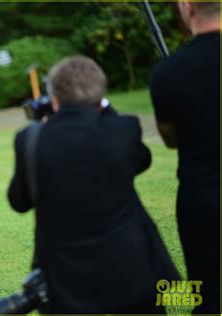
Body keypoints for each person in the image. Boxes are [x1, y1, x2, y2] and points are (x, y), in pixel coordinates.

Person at [7, 56, 179, 314]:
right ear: (101, 96)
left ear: (54, 97)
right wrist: (105, 108)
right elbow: (142, 161)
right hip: (132, 267)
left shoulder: (30, 139)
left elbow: (18, 202)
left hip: (66, 280)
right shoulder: (123, 129)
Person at [149, 2, 220, 314]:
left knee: (208, 296)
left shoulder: (168, 71)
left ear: (187, 7)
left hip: (202, 200)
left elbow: (170, 139)